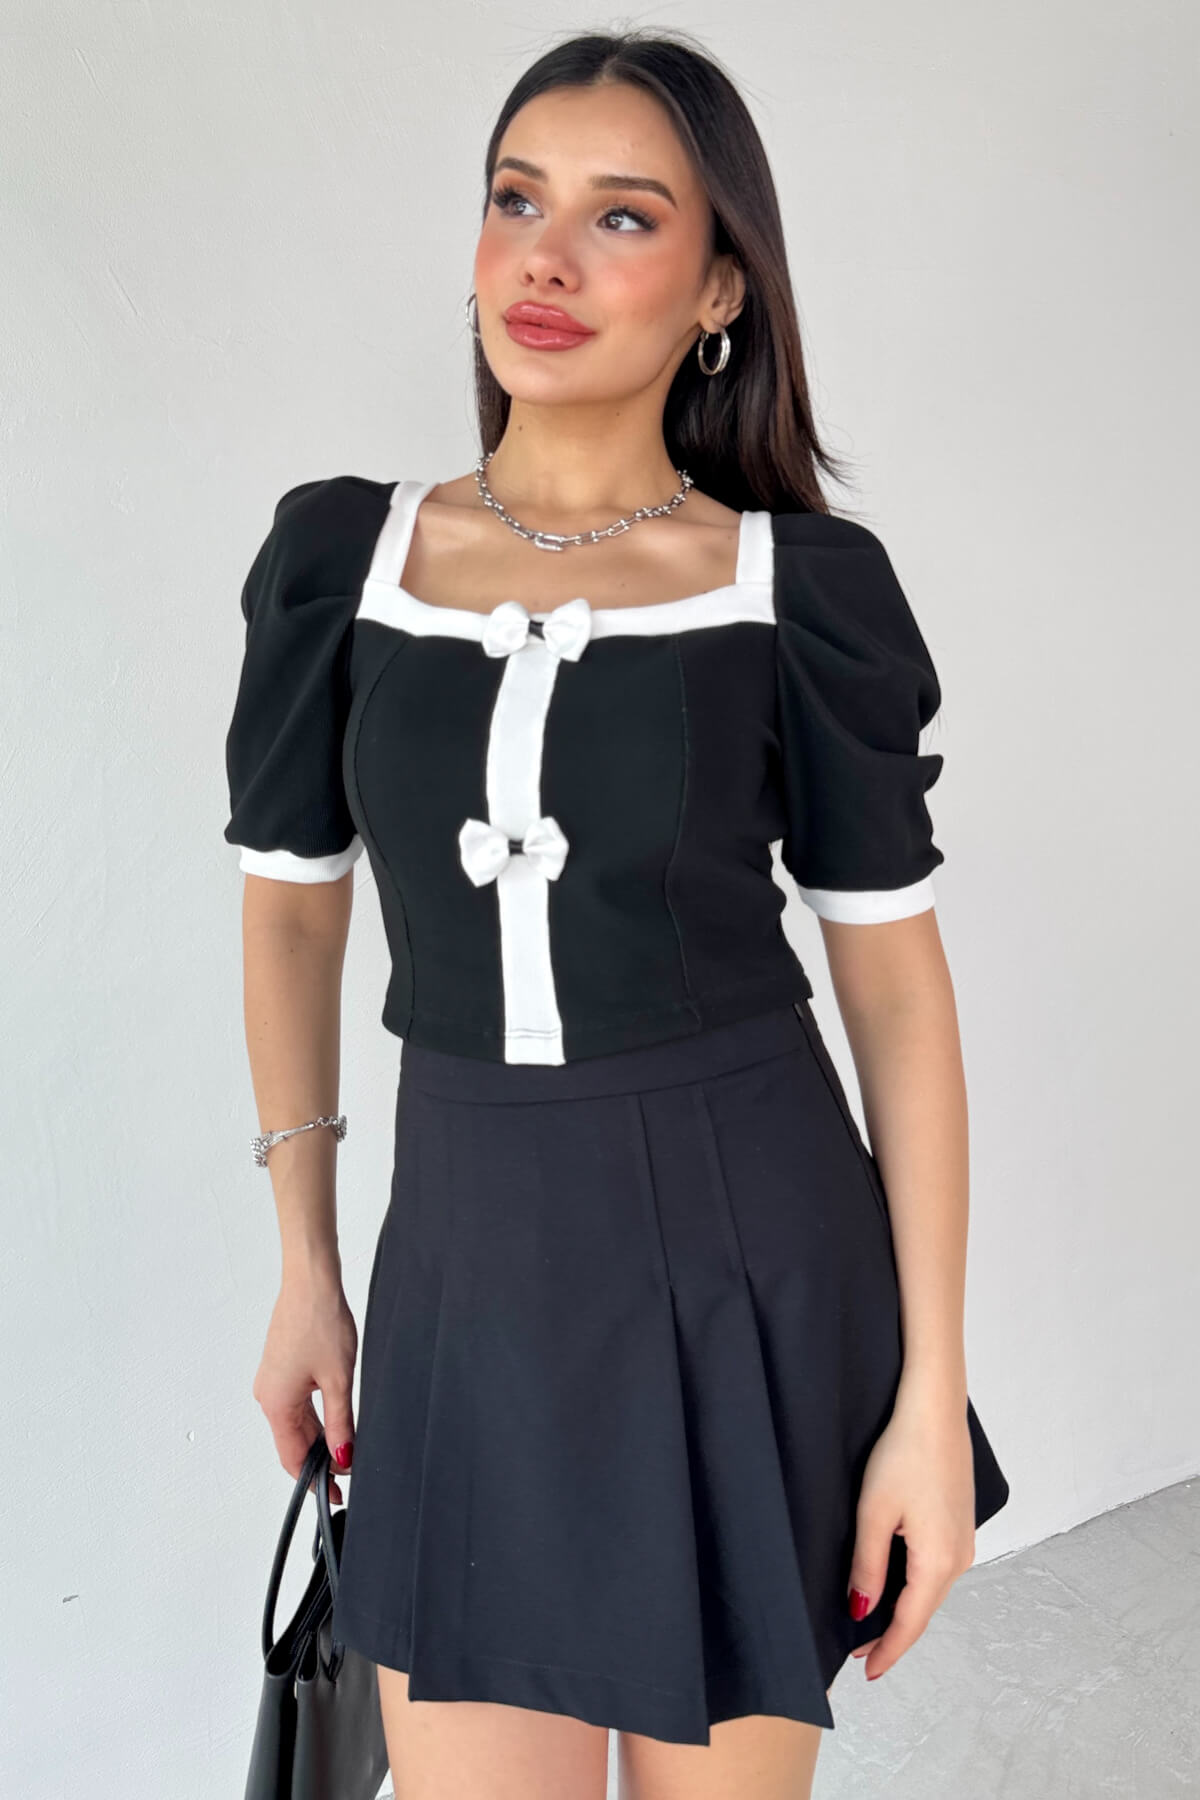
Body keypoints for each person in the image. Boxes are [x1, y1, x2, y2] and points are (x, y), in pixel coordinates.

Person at [222, 26, 1010, 1800]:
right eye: (517, 200)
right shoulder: (342, 564)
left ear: (722, 286)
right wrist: (305, 1268)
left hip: (754, 1264)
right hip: (467, 1271)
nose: (548, 259)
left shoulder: (797, 593)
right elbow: (290, 917)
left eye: (623, 216)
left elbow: (897, 999)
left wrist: (927, 1397)